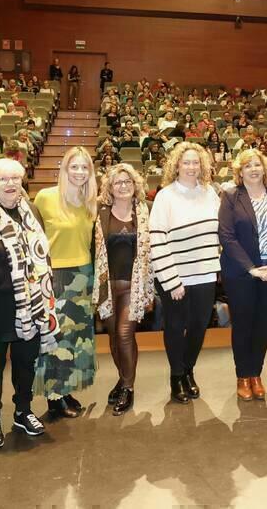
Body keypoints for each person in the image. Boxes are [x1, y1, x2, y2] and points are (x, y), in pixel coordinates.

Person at [0, 158, 60, 448]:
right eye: (3, 179)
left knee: (25, 362)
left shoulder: (32, 212)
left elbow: (43, 258)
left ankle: (22, 411)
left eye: (15, 178)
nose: (10, 184)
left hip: (33, 307)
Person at [218, 148, 267, 400]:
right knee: (242, 325)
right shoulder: (231, 196)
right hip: (241, 273)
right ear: (240, 172)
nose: (253, 169)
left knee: (262, 325)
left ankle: (256, 374)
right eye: (247, 166)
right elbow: (227, 236)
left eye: (257, 164)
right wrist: (251, 268)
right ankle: (242, 375)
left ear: (265, 168)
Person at [149, 142, 222, 404]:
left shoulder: (210, 193)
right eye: (186, 162)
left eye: (196, 162)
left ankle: (188, 370)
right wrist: (172, 280)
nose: (191, 167)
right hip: (176, 277)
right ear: (176, 165)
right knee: (176, 327)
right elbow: (157, 240)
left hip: (205, 274)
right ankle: (176, 376)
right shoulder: (165, 196)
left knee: (199, 326)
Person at [32, 147, 98, 419]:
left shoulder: (90, 201)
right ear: (64, 168)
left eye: (85, 168)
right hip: (55, 276)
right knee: (55, 338)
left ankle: (65, 390)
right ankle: (53, 397)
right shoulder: (45, 197)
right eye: (75, 167)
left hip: (84, 274)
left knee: (77, 339)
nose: (80, 172)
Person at [94, 164, 154, 415]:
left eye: (127, 181)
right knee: (113, 339)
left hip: (134, 288)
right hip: (107, 288)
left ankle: (128, 388)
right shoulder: (100, 213)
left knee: (124, 334)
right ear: (109, 187)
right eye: (117, 182)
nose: (123, 186)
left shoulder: (144, 212)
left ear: (135, 184)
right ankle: (122, 378)